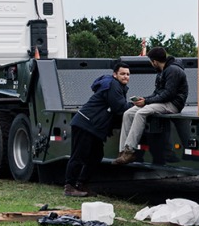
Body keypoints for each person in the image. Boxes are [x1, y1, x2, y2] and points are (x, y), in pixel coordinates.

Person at [64, 60, 130, 197]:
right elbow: (120, 107)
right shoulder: (113, 85)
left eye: (128, 74)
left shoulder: (118, 86)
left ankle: (82, 184)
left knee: (96, 155)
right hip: (85, 124)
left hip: (94, 127)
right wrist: (138, 106)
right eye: (122, 73)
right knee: (78, 156)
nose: (125, 76)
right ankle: (69, 187)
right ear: (115, 75)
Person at [113, 46, 187, 166]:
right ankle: (122, 152)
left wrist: (146, 102)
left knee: (142, 112)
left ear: (154, 61)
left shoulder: (173, 71)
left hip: (173, 104)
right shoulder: (161, 72)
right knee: (129, 113)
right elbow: (157, 93)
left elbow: (168, 94)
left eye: (151, 61)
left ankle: (129, 151)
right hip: (162, 102)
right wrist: (145, 99)